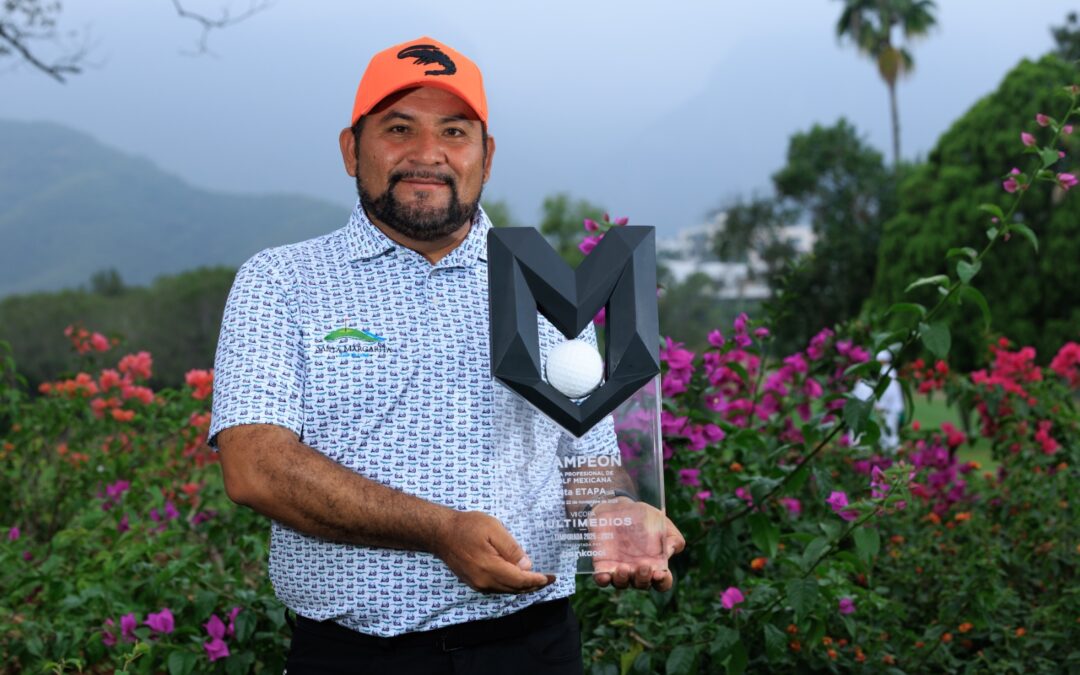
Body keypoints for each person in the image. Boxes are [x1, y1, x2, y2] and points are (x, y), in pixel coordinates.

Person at [209, 36, 685, 675]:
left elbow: (588, 462)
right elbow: (255, 468)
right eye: (398, 128)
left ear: (486, 157)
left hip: (535, 651)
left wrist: (615, 511)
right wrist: (439, 531)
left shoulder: (549, 289)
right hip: (353, 658)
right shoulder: (282, 282)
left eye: (454, 132)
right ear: (353, 148)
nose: (427, 154)